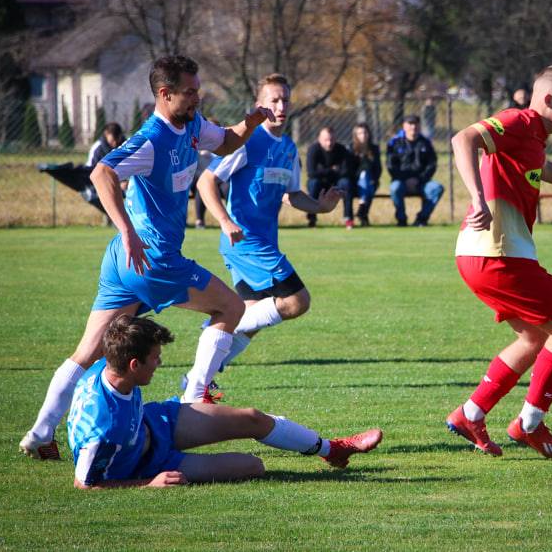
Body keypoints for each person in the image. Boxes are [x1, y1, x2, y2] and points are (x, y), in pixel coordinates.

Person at [19, 55, 277, 460]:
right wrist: (126, 230)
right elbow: (101, 174)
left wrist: (251, 121)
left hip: (122, 263)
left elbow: (226, 141)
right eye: (189, 91)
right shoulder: (151, 138)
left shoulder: (191, 124)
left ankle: (39, 432)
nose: (197, 96)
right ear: (165, 93)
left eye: (197, 89)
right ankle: (194, 400)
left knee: (89, 351)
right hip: (152, 259)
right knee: (230, 306)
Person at [447, 65, 552, 459]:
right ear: (549, 101)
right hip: (499, 254)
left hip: (481, 255)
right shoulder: (521, 120)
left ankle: (470, 413)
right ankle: (529, 424)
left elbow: (540, 168)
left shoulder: (533, 136)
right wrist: (476, 197)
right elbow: (463, 138)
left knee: (534, 337)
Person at [67, 315, 383, 488]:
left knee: (252, 418)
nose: (159, 363)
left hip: (155, 422)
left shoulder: (107, 364)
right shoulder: (105, 429)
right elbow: (85, 485)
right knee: (253, 467)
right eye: (155, 358)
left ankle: (333, 449)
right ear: (134, 365)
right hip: (147, 464)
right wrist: (149, 483)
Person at [196, 74, 343, 372]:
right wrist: (224, 221)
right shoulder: (246, 142)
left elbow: (291, 194)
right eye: (273, 100)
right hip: (244, 240)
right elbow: (206, 182)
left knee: (253, 318)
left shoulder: (288, 148)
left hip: (264, 242)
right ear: (259, 105)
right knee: (297, 301)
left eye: (285, 100)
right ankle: (215, 330)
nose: (280, 105)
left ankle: (199, 379)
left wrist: (320, 207)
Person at [386, 115, 443, 226]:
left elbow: (432, 165)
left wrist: (419, 179)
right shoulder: (395, 142)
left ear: (419, 126)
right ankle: (401, 220)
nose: (413, 127)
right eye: (410, 124)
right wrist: (404, 179)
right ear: (404, 126)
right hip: (401, 181)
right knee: (395, 188)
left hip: (422, 182)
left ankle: (421, 219)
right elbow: (390, 165)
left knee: (437, 188)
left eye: (415, 124)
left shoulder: (426, 143)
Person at [306, 126, 354, 228]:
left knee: (346, 183)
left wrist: (322, 171)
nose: (329, 143)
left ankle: (348, 218)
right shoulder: (313, 150)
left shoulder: (342, 150)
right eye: (326, 140)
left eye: (331, 140)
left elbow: (346, 171)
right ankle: (312, 218)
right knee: (314, 183)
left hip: (337, 183)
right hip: (319, 183)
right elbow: (311, 173)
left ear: (335, 139)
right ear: (319, 139)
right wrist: (332, 170)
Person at [347, 122, 382, 227]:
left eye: (365, 132)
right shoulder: (350, 149)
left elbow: (378, 168)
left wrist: (373, 178)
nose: (363, 135)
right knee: (364, 176)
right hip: (355, 182)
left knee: (367, 179)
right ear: (355, 135)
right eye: (360, 133)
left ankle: (362, 209)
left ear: (369, 134)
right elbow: (350, 169)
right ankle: (363, 213)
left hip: (371, 181)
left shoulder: (374, 149)